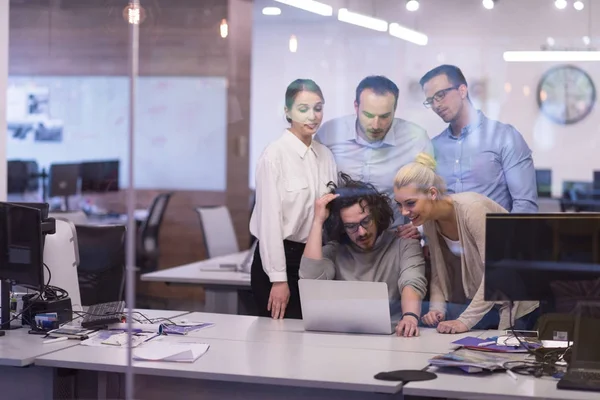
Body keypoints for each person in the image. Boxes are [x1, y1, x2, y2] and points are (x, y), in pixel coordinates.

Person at [393, 153, 539, 333]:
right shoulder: (429, 220)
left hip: (519, 302)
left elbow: (497, 271)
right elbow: (440, 272)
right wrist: (436, 309)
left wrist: (464, 321)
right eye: (400, 205)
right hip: (487, 301)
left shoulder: (473, 209)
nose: (404, 212)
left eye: (410, 203)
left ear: (432, 193)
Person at [249, 79, 338, 320]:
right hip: (280, 261)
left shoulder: (325, 155)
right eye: (303, 109)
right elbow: (269, 224)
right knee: (278, 342)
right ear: (287, 111)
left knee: (311, 340)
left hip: (315, 258)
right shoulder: (274, 156)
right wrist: (278, 280)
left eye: (318, 108)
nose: (312, 116)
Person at [300, 173, 427, 337]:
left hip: (395, 335)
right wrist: (318, 221)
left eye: (366, 221)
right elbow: (311, 281)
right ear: (342, 227)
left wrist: (410, 317)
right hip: (342, 338)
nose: (361, 232)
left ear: (376, 214)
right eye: (351, 226)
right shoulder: (335, 250)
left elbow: (412, 281)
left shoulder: (404, 243)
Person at [315, 75, 433, 239]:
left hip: (393, 238)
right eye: (369, 115)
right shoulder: (329, 133)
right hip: (341, 240)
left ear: (395, 109)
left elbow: (431, 193)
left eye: (384, 116)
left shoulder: (416, 138)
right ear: (356, 107)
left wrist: (419, 229)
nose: (376, 125)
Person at [419, 65, 538, 213]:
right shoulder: (434, 146)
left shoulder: (505, 136)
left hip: (494, 235)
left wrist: (506, 236)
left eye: (441, 95)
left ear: (462, 91)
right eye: (430, 101)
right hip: (446, 235)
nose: (436, 105)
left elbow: (525, 206)